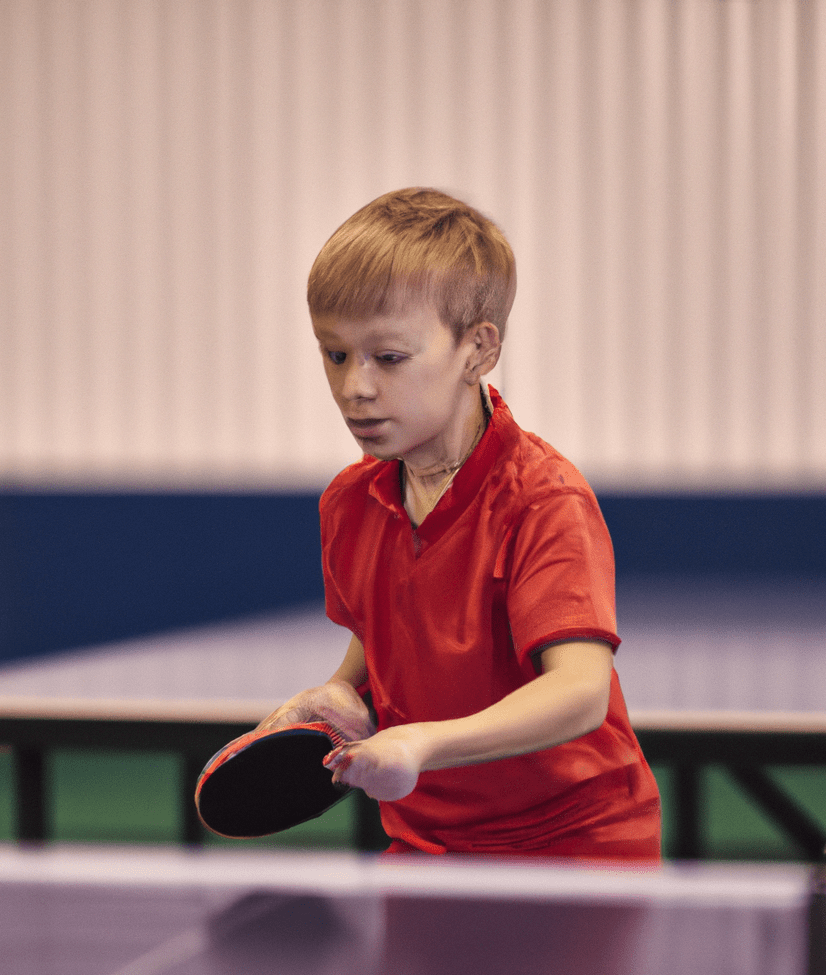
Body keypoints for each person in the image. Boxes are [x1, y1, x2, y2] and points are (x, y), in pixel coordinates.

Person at [260, 187, 661, 859]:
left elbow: (579, 692)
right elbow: (385, 634)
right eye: (335, 355)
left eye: (388, 358)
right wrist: (343, 693)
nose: (354, 386)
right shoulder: (351, 503)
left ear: (477, 350)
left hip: (573, 851)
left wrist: (422, 742)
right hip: (427, 847)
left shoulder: (542, 499)